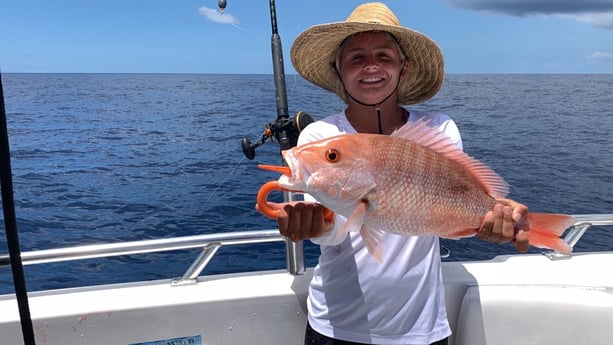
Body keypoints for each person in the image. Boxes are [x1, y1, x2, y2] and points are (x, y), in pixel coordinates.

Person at [260, 3, 530, 345]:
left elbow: (454, 202)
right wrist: (314, 224)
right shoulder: (319, 137)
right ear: (338, 70)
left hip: (422, 329)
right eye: (356, 57)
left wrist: (494, 215)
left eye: (384, 56)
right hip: (335, 326)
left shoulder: (440, 128)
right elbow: (331, 233)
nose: (370, 66)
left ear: (403, 68)